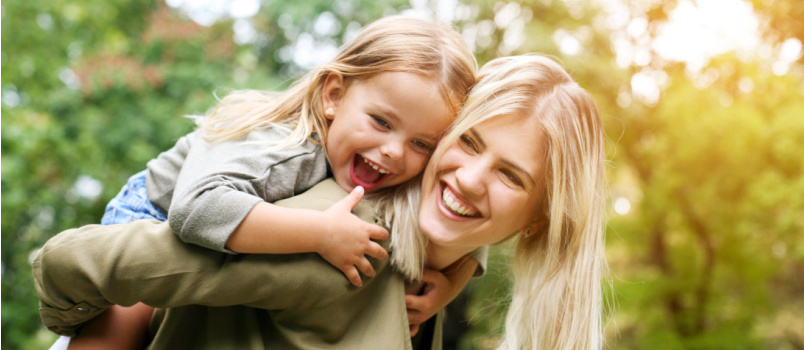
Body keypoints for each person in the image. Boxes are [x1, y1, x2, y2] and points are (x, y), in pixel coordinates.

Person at [34, 54, 607, 349]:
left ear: (539, 223)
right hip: (169, 200)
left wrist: (458, 275)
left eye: (510, 175)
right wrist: (90, 325)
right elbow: (72, 262)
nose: (472, 178)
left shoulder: (428, 276)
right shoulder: (338, 237)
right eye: (470, 143)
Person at [59, 14, 479, 350]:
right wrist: (320, 233)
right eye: (381, 121)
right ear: (333, 95)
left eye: (422, 143)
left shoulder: (391, 162)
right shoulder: (282, 149)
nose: (394, 151)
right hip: (156, 210)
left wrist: (449, 284)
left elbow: (466, 213)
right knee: (124, 319)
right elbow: (196, 209)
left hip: (213, 217)